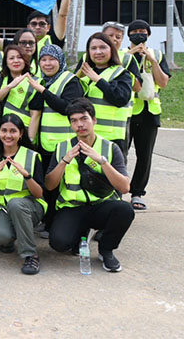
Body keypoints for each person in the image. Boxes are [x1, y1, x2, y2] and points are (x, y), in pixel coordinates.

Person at [45, 99, 134, 272]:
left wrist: (101, 161)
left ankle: (106, 250)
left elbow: (124, 187)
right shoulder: (62, 147)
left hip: (101, 205)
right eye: (74, 121)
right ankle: (81, 233)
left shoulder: (110, 148)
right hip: (72, 207)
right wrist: (64, 161)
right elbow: (49, 185)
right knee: (59, 243)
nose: (79, 125)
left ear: (94, 120)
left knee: (125, 210)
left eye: (84, 119)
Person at [26, 44, 84, 236]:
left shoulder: (70, 81)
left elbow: (67, 108)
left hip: (64, 145)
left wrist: (42, 91)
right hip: (45, 144)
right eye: (43, 60)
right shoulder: (42, 81)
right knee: (47, 186)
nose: (47, 63)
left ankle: (56, 225)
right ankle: (47, 221)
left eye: (52, 59)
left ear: (60, 61)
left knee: (61, 187)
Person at [0, 115, 46, 275]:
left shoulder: (31, 156)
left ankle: (30, 255)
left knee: (16, 204)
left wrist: (27, 176)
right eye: (4, 131)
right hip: (1, 209)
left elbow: (39, 193)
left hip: (29, 208)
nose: (8, 135)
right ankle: (12, 237)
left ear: (21, 133)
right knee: (3, 237)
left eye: (13, 131)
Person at [124, 20, 170, 210]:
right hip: (126, 112)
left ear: (148, 34)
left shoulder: (157, 54)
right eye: (134, 31)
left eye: (142, 31)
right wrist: (129, 56)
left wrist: (152, 61)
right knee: (120, 153)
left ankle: (137, 193)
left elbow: (163, 82)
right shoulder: (122, 54)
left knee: (145, 156)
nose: (138, 34)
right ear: (129, 35)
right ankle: (116, 190)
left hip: (149, 112)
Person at [75, 33, 134, 155]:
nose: (98, 52)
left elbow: (121, 99)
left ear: (111, 50)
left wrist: (98, 80)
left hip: (112, 139)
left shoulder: (121, 74)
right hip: (86, 137)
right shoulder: (85, 75)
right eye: (93, 48)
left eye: (103, 47)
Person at [0, 44, 38, 128]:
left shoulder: (34, 81)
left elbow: (35, 115)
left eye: (19, 57)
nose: (16, 61)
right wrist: (9, 86)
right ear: (6, 62)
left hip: (23, 129)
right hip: (1, 128)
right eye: (11, 58)